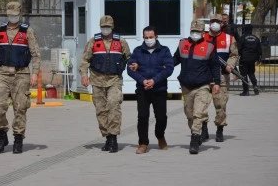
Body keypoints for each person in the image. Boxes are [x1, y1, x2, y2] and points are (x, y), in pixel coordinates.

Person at [0, 1, 40, 154]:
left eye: (15, 15)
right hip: (2, 73)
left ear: (19, 15)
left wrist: (35, 73)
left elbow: (35, 54)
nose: (12, 17)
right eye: (10, 15)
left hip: (21, 74)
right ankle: (2, 136)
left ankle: (18, 139)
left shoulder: (27, 31)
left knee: (20, 108)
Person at [79, 15, 131, 153]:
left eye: (108, 27)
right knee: (101, 110)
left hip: (114, 80)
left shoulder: (120, 41)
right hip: (97, 80)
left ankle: (113, 138)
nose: (105, 29)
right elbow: (84, 60)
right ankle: (107, 136)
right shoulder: (93, 42)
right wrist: (84, 75)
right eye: (103, 27)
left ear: (112, 27)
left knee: (113, 106)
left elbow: (129, 58)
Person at [173, 20, 221, 154]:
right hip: (186, 85)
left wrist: (216, 82)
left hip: (202, 85)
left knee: (198, 113)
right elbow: (175, 59)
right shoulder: (183, 43)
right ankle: (196, 132)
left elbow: (215, 65)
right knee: (189, 115)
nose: (195, 34)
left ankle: (194, 139)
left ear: (203, 33)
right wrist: (163, 67)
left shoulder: (210, 46)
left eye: (198, 32)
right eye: (193, 31)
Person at [127, 26, 174, 154]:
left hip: (159, 89)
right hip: (143, 90)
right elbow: (130, 69)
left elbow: (169, 68)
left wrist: (154, 80)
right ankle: (142, 143)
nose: (148, 40)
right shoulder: (138, 51)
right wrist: (142, 80)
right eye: (146, 37)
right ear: (143, 38)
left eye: (151, 37)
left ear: (156, 37)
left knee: (161, 117)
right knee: (142, 116)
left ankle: (160, 136)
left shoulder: (164, 51)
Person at [203, 14, 239, 143]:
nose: (214, 23)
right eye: (212, 21)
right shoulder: (202, 37)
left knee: (221, 105)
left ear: (222, 23)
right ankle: (203, 129)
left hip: (222, 76)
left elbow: (234, 55)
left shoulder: (229, 38)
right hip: (204, 76)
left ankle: (220, 130)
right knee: (201, 105)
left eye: (217, 21)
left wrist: (230, 64)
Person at [238, 24, 262, 96]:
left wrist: (240, 54)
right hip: (252, 59)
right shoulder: (256, 38)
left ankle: (246, 91)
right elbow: (259, 50)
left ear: (244, 29)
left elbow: (239, 48)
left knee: (244, 74)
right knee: (251, 73)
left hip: (244, 59)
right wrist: (258, 59)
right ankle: (255, 85)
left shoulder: (242, 37)